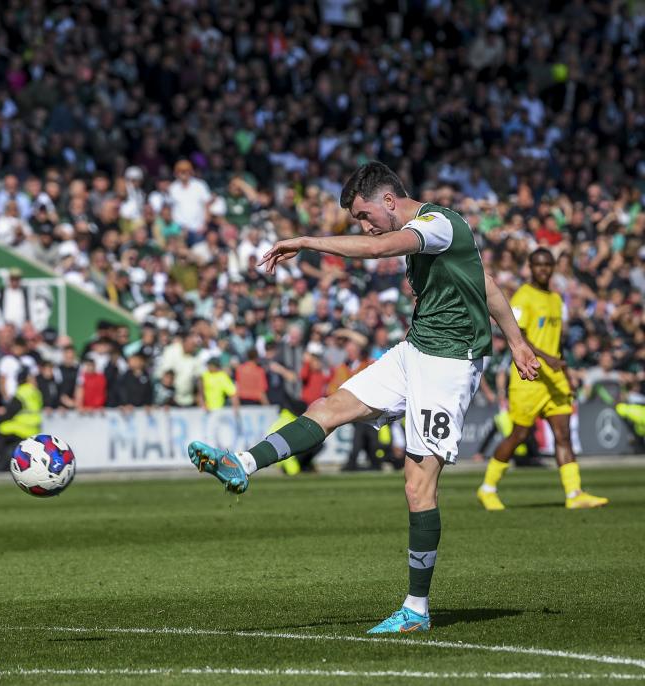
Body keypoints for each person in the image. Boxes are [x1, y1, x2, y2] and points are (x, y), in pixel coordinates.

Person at [186, 162, 539, 634]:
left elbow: (378, 248)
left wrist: (307, 241)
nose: (364, 225)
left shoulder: (436, 225)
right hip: (416, 350)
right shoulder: (438, 233)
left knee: (418, 486)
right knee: (326, 408)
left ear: (389, 200)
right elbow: (487, 284)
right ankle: (243, 466)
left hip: (450, 364)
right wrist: (516, 341)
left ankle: (416, 609)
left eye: (363, 214)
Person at [477, 248, 608, 510]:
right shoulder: (523, 297)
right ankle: (487, 488)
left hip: (555, 378)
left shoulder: (556, 300)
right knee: (519, 434)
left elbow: (557, 342)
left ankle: (574, 494)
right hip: (529, 377)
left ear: (554, 267)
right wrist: (547, 358)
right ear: (531, 267)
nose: (544, 269)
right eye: (538, 265)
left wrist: (566, 372)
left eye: (548, 265)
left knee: (563, 435)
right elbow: (516, 334)